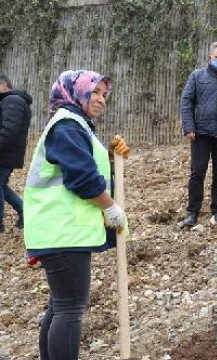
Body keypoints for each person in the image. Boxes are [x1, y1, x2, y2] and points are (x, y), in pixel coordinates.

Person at [23, 70, 129, 360]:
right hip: (62, 230)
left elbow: (85, 166)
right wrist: (110, 207)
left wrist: (110, 158)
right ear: (73, 92)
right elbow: (81, 179)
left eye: (104, 94)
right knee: (70, 307)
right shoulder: (67, 125)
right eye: (94, 92)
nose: (101, 99)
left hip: (60, 230)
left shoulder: (76, 124)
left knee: (60, 305)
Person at [180, 41, 217, 227]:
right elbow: (186, 101)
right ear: (209, 57)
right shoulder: (197, 76)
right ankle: (192, 212)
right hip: (201, 133)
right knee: (198, 173)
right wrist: (189, 126)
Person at [0, 74, 32, 233]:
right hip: (7, 152)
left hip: (5, 153)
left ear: (3, 85)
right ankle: (24, 211)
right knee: (2, 186)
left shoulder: (12, 101)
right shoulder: (11, 101)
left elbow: (9, 130)